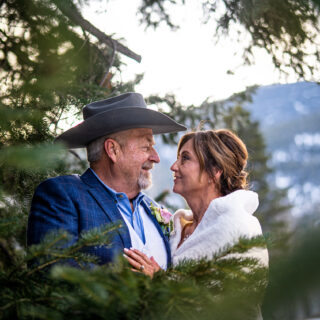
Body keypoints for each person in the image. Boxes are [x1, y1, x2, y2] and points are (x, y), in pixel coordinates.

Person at [27, 92, 186, 268]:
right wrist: (131, 283)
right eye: (146, 147)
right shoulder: (62, 195)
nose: (155, 157)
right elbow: (52, 276)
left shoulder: (156, 211)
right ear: (113, 150)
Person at [124, 129, 268, 276]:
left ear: (215, 170)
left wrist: (159, 279)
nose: (173, 166)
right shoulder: (178, 227)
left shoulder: (240, 228)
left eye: (185, 158)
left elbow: (239, 295)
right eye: (177, 158)